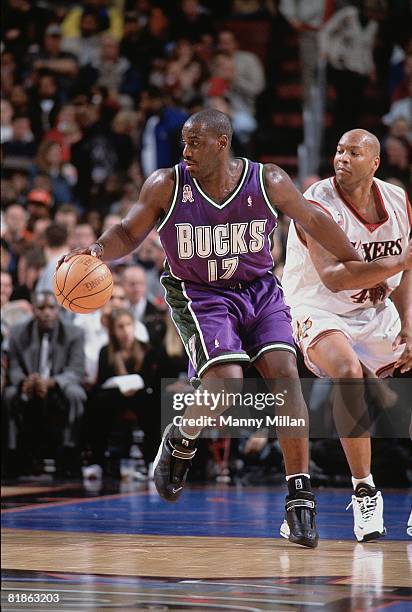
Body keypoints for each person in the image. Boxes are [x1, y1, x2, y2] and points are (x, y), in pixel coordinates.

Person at [58, 110, 405, 549]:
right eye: (183, 143)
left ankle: (299, 496)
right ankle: (181, 438)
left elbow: (315, 222)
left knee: (284, 376)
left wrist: (357, 261)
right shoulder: (167, 183)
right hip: (200, 294)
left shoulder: (269, 181)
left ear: (222, 144)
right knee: (226, 385)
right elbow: (128, 232)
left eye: (195, 144)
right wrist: (95, 251)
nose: (185, 152)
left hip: (259, 289)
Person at [282, 129, 412, 542]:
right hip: (319, 307)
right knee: (346, 369)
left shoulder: (396, 199)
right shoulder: (315, 203)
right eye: (338, 150)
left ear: (375, 163)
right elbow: (334, 278)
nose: (343, 158)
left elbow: (406, 272)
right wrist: (398, 263)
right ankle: (364, 491)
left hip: (375, 310)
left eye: (354, 152)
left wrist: (408, 320)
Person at [4, 291, 86, 475]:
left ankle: (69, 453)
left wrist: (51, 382)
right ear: (33, 310)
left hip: (58, 386)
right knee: (9, 394)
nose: (46, 312)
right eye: (41, 308)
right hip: (29, 385)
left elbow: (76, 370)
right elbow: (14, 367)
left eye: (51, 308)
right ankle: (12, 454)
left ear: (58, 310)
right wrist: (25, 381)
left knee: (76, 394)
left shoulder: (73, 333)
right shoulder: (18, 332)